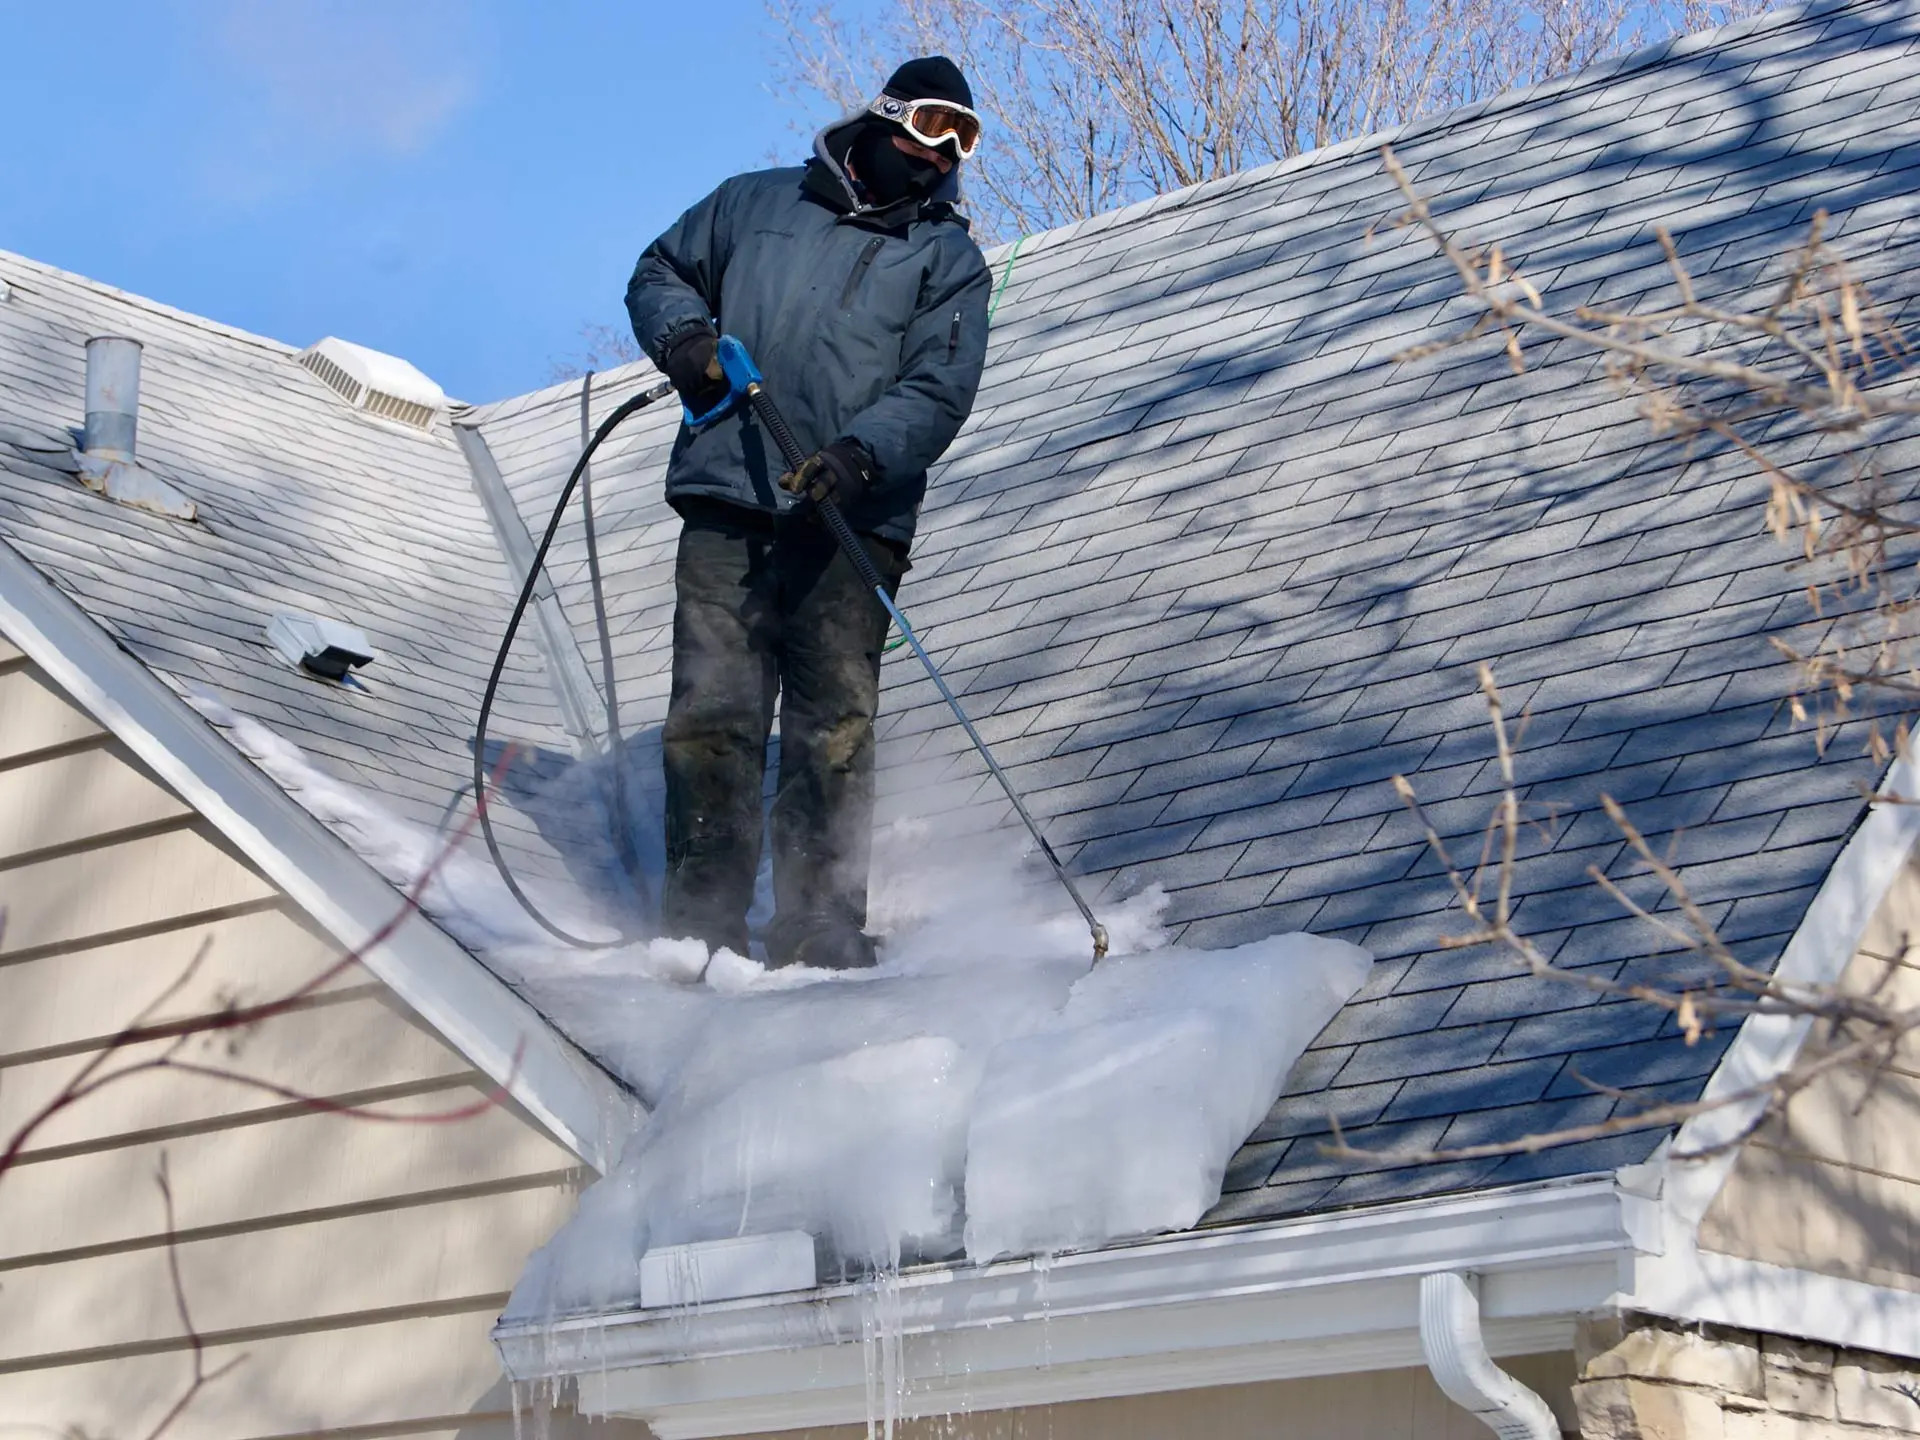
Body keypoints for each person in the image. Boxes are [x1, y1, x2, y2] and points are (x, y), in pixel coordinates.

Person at [626, 56, 992, 970]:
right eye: (932, 129)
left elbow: (940, 388)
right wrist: (689, 343)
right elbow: (661, 270)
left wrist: (858, 456)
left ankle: (819, 928)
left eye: (961, 142)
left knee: (833, 727)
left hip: (851, 519)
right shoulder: (754, 204)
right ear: (886, 122)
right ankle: (701, 931)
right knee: (713, 715)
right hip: (729, 499)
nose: (942, 157)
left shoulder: (947, 261)